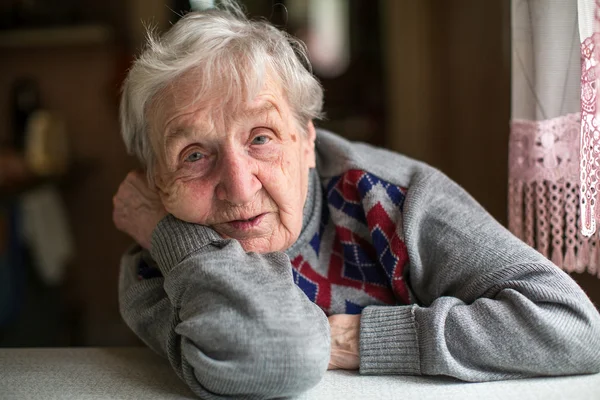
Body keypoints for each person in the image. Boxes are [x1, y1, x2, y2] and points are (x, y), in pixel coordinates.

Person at [112, 1, 600, 398]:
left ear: (307, 140)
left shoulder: (392, 200)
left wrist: (356, 338)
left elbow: (573, 327)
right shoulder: (165, 260)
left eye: (262, 138)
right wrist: (175, 240)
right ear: (155, 179)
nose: (240, 187)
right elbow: (275, 359)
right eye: (194, 154)